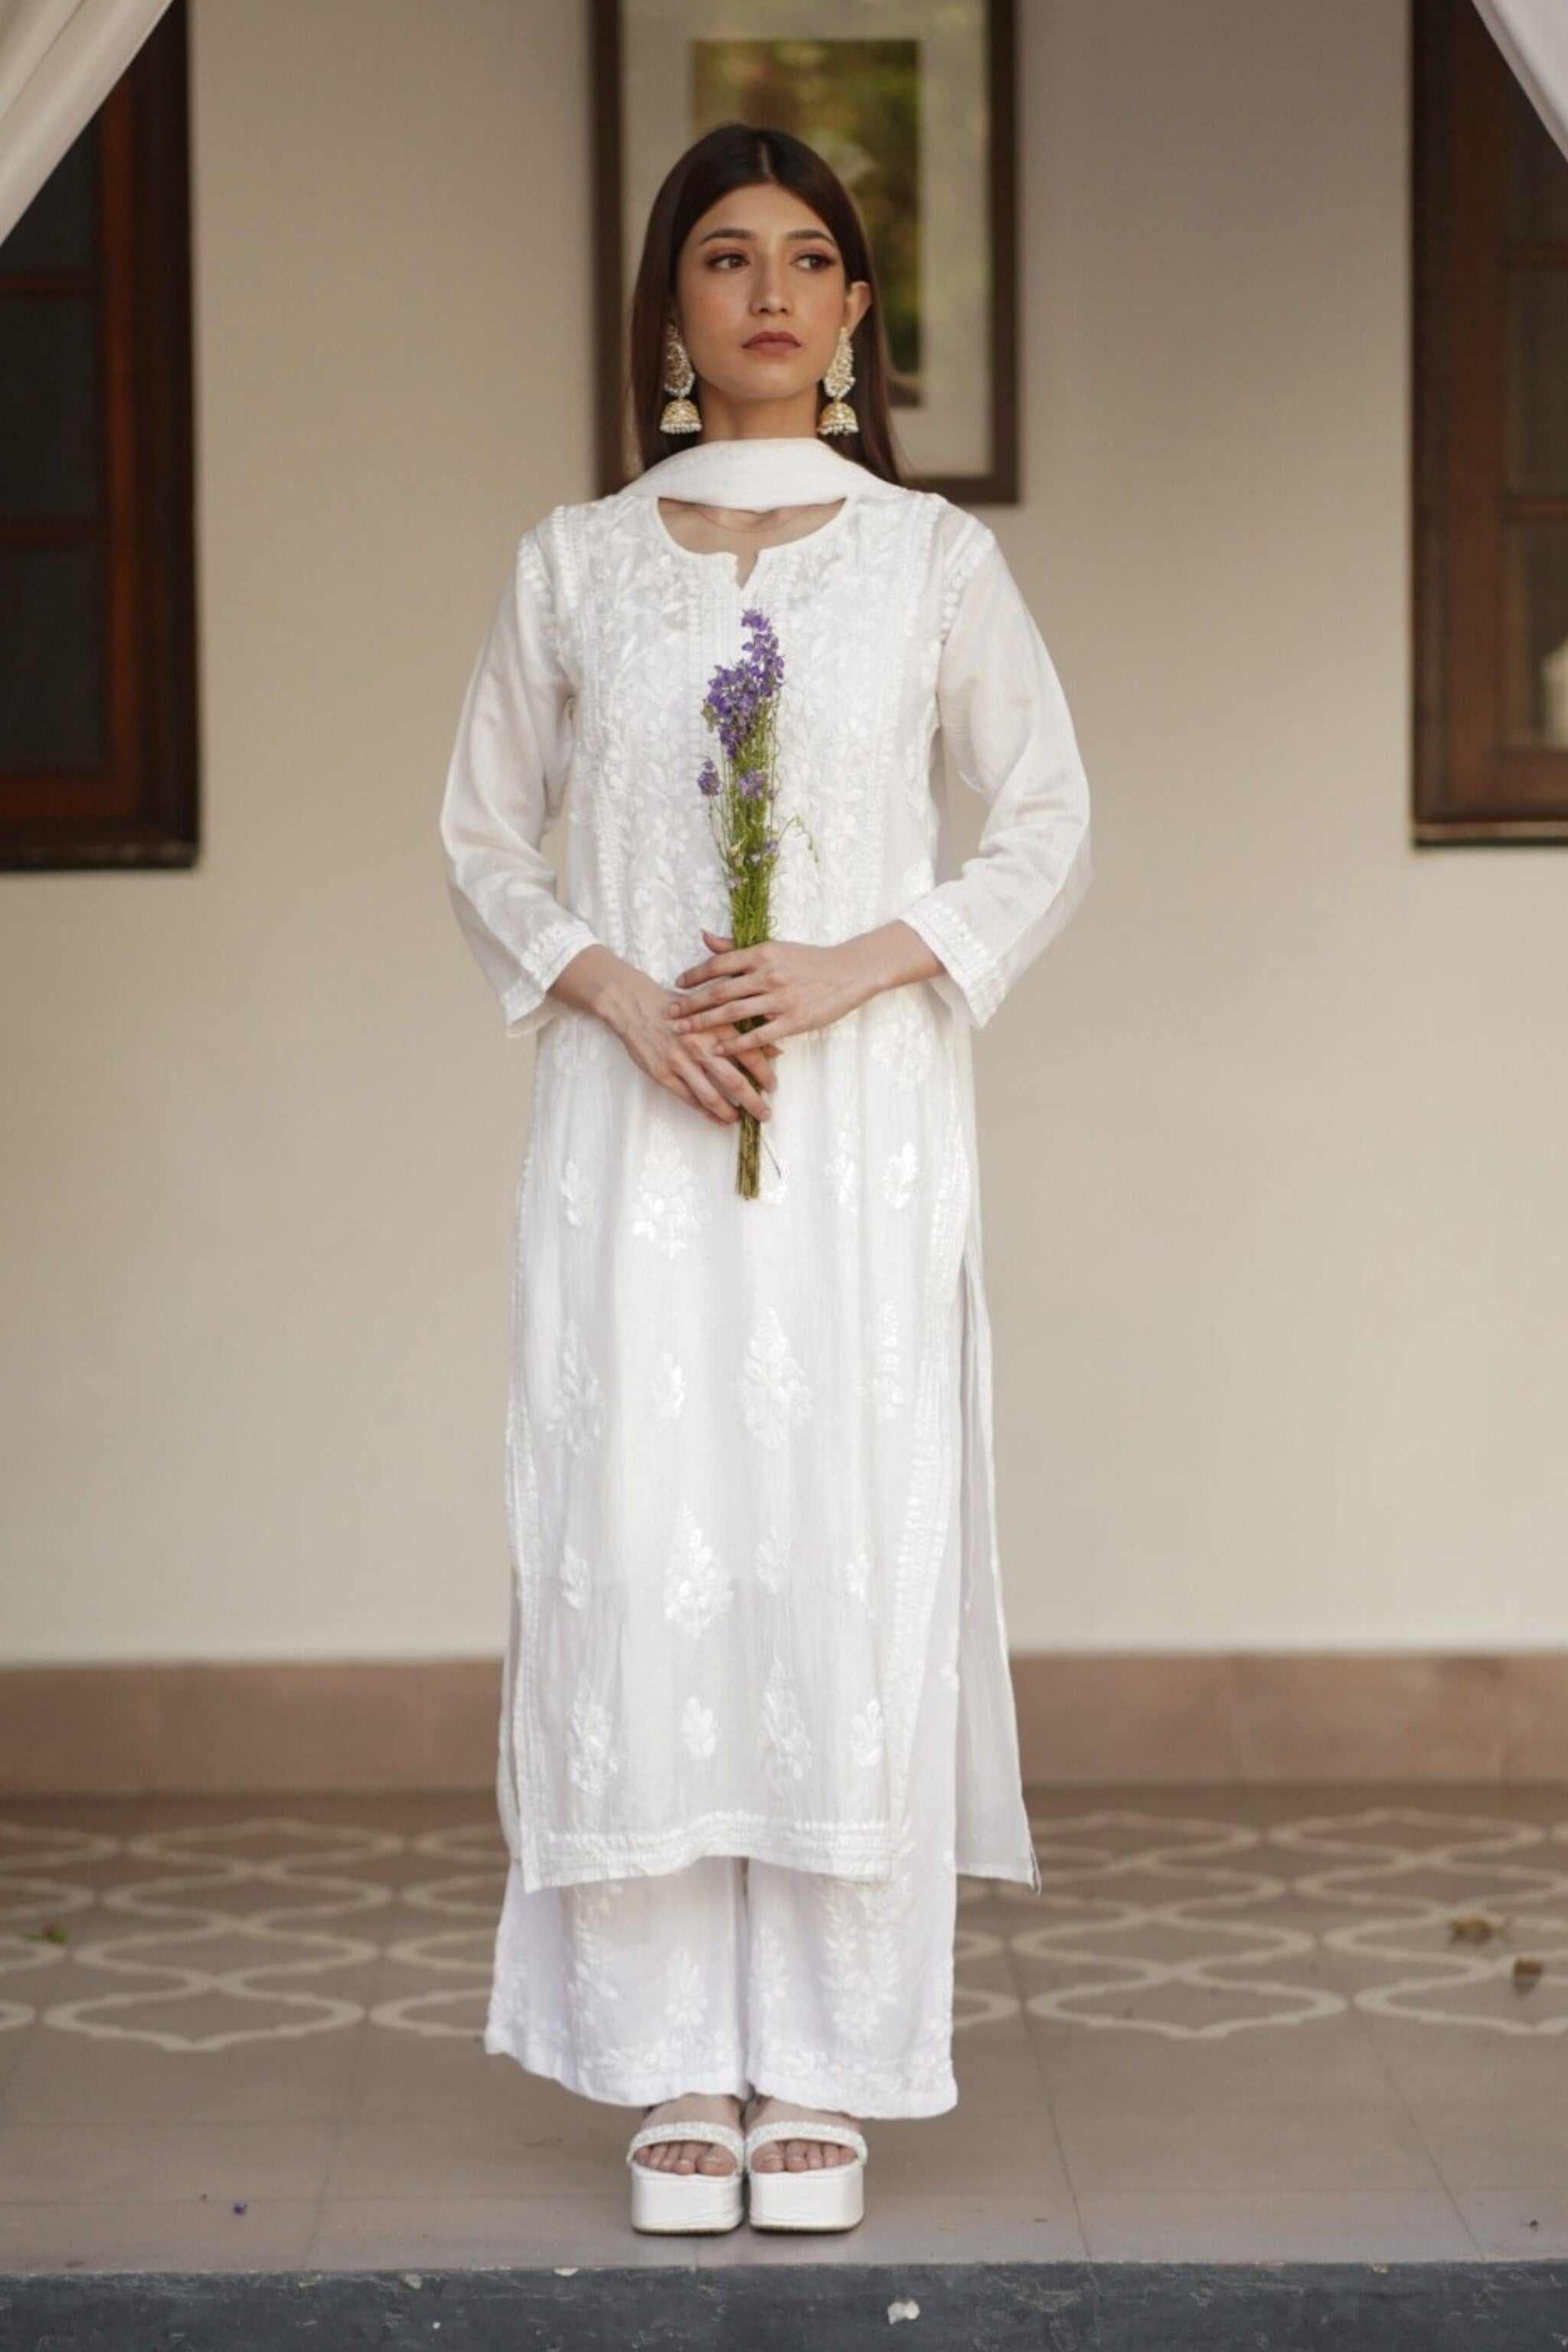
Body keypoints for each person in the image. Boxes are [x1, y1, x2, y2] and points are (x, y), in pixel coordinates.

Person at [439, 121, 1092, 2236]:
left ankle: (817, 2057)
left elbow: (1044, 821)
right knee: (642, 1541)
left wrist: (850, 964)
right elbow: (480, 838)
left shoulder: (931, 564)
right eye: (727, 258)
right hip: (633, 1138)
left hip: (859, 1139)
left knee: (835, 1537)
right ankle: (663, 2068)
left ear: (860, 311)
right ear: (671, 314)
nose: (773, 293)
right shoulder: (574, 561)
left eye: (812, 258)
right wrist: (628, 996)